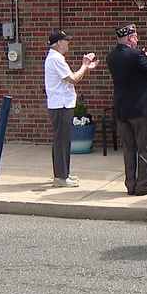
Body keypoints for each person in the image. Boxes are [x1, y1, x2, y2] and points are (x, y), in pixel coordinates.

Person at [106, 22, 147, 196]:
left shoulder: (112, 56)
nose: (137, 40)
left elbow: (133, 70)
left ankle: (131, 183)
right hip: (140, 109)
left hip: (122, 108)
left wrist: (145, 56)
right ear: (131, 38)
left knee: (129, 148)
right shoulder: (136, 54)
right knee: (145, 147)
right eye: (136, 37)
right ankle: (144, 184)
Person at [43, 29, 97, 188]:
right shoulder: (56, 59)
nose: (68, 43)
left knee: (64, 141)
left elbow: (70, 77)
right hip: (61, 105)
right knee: (61, 141)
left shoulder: (56, 58)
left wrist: (85, 68)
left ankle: (64, 174)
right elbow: (73, 79)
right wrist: (85, 65)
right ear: (59, 43)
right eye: (66, 41)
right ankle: (60, 177)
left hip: (62, 104)